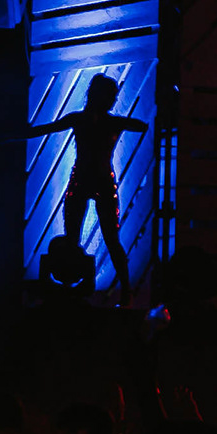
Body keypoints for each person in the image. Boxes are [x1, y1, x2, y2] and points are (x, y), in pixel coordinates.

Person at [19, 74, 147, 294]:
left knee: (83, 238)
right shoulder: (108, 122)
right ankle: (123, 290)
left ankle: (112, 289)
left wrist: (10, 134)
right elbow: (141, 126)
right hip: (99, 182)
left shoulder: (84, 120)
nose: (114, 100)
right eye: (111, 96)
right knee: (104, 239)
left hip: (85, 181)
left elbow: (44, 129)